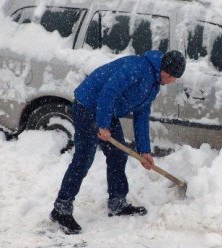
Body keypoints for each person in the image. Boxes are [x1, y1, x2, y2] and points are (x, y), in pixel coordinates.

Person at [49, 50, 186, 235]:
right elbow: (108, 91)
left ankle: (117, 203)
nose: (174, 82)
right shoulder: (137, 68)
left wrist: (144, 150)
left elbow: (141, 115)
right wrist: (103, 125)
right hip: (88, 106)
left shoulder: (153, 84)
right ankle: (61, 209)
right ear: (166, 72)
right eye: (174, 78)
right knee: (83, 159)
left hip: (106, 110)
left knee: (117, 155)